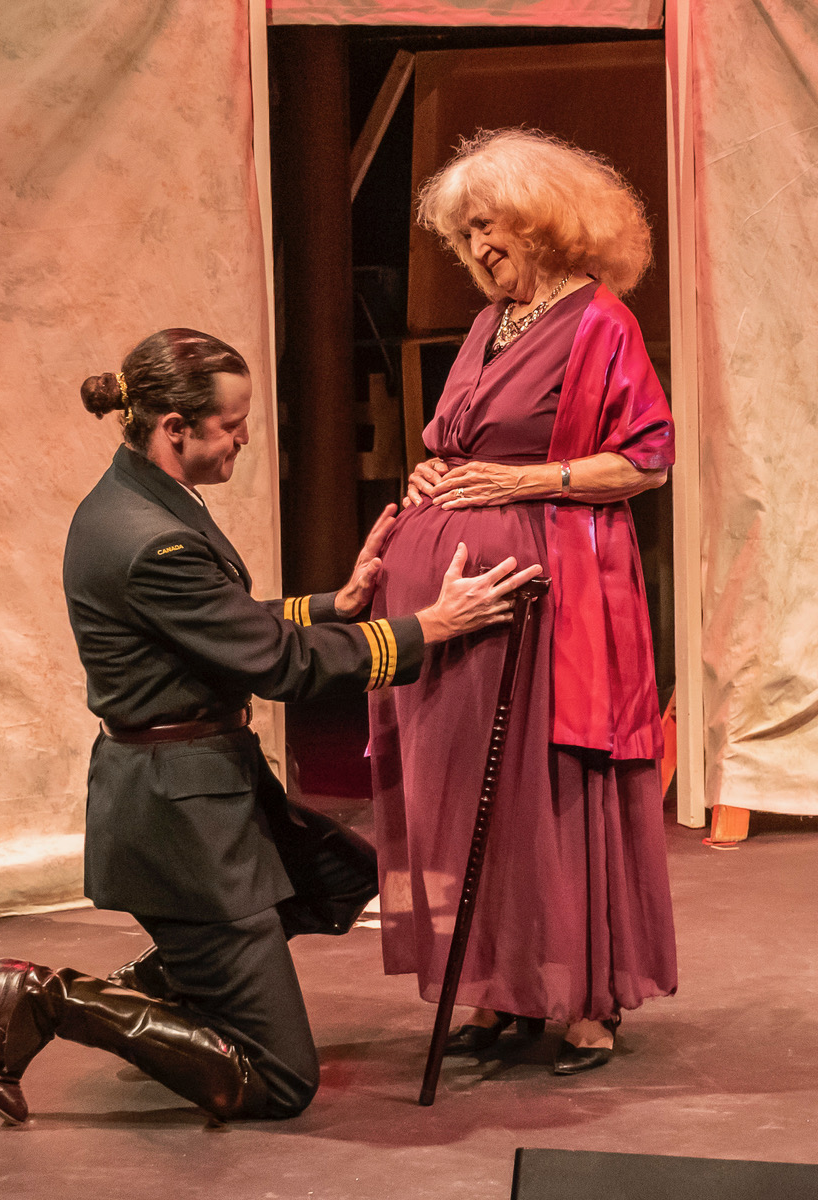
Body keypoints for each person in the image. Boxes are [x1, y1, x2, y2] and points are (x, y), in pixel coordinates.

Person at [0, 327, 542, 1125]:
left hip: (203, 786)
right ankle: (52, 999)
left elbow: (224, 626)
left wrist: (334, 605)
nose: (244, 437)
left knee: (337, 877)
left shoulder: (138, 499)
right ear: (174, 427)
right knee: (278, 1081)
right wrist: (430, 629)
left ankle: (154, 987)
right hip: (181, 820)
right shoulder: (152, 538)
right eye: (231, 424)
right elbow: (279, 667)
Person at [368, 129, 678, 1076]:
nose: (477, 248)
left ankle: (583, 999)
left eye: (489, 226)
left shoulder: (599, 323)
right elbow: (463, 442)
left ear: (543, 221)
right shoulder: (482, 326)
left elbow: (647, 458)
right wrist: (434, 475)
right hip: (459, 610)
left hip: (554, 597)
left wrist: (521, 484)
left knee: (551, 787)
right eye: (464, 235)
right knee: (475, 797)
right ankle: (502, 986)